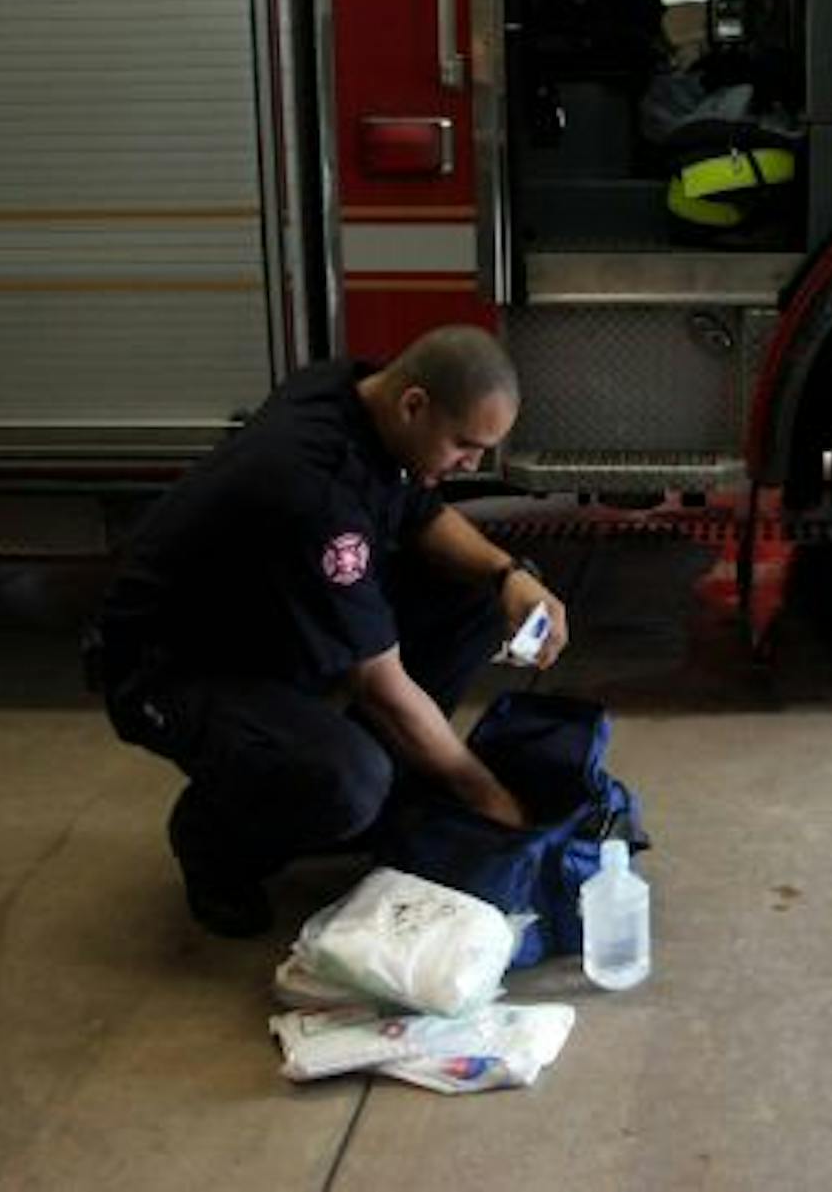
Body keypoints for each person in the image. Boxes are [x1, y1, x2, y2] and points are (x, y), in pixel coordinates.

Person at [91, 326, 570, 936]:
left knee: (477, 596)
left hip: (265, 620)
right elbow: (382, 686)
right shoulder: (314, 492)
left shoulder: (350, 390)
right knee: (346, 783)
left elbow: (418, 511)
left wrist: (510, 575)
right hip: (172, 666)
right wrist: (485, 795)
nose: (471, 465)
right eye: (464, 446)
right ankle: (211, 841)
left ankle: (381, 775)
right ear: (414, 404)